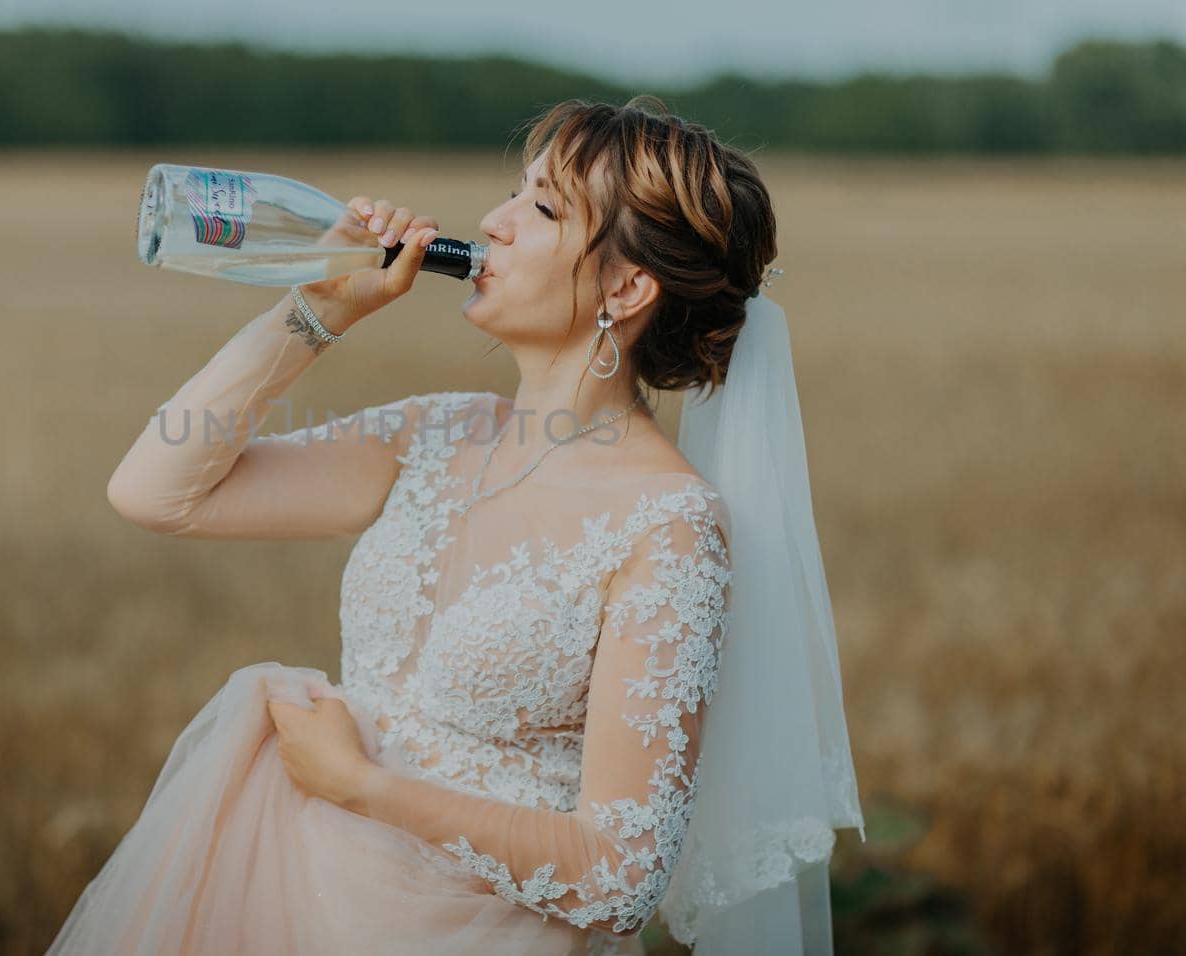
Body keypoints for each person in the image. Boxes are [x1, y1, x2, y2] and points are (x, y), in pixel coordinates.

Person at [46, 96, 865, 956]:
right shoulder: (432, 433)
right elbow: (157, 490)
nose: (493, 223)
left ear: (626, 289)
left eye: (543, 208)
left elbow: (622, 875)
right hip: (284, 907)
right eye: (515, 192)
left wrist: (363, 786)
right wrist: (320, 310)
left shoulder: (669, 525)